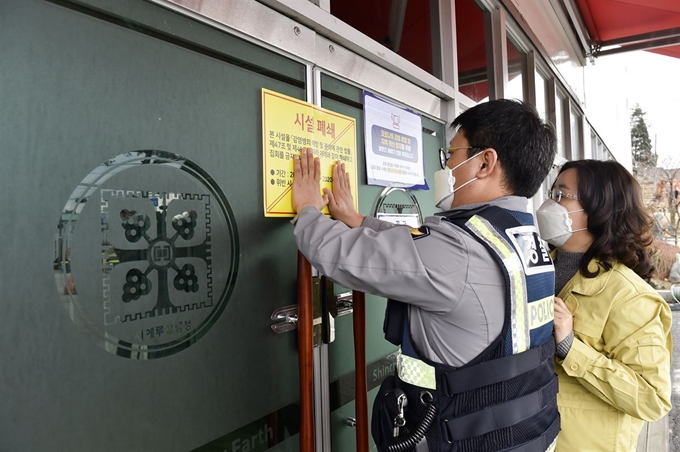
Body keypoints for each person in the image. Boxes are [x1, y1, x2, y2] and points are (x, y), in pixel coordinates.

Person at [292, 99, 559, 452]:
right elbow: (417, 248)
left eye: (451, 154)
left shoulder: (459, 247)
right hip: (524, 435)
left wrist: (308, 211)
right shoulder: (523, 238)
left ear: (484, 162)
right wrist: (360, 221)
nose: (447, 165)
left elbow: (341, 256)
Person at [535, 160, 672, 452]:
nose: (549, 203)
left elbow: (653, 398)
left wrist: (571, 348)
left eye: (562, 195)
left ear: (599, 209)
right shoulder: (538, 270)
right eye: (552, 192)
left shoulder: (629, 296)